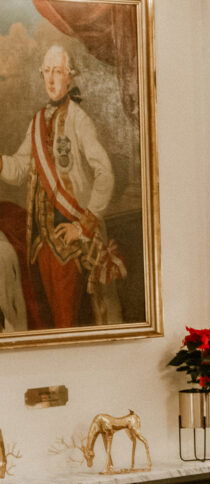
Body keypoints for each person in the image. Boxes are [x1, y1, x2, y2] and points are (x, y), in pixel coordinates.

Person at [0, 44, 125, 330]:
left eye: (58, 71)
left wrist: (82, 227)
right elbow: (19, 169)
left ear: (70, 77)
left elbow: (105, 173)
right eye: (47, 71)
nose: (51, 79)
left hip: (71, 241)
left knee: (69, 322)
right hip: (42, 242)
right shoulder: (38, 121)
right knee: (53, 323)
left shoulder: (80, 120)